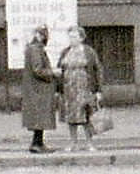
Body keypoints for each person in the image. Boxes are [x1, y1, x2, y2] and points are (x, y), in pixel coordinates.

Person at [56, 26, 102, 151]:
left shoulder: (89, 52)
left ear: (81, 38)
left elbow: (97, 70)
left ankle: (89, 143)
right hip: (69, 90)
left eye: (74, 36)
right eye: (70, 37)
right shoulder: (65, 52)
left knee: (86, 116)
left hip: (85, 88)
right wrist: (58, 89)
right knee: (71, 117)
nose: (72, 39)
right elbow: (60, 69)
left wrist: (98, 90)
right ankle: (73, 143)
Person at [22, 24, 57, 154]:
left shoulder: (33, 48)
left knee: (39, 117)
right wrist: (53, 73)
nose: (44, 37)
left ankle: (38, 143)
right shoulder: (36, 49)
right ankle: (37, 144)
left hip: (36, 88)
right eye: (42, 34)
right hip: (38, 89)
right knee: (40, 116)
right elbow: (38, 70)